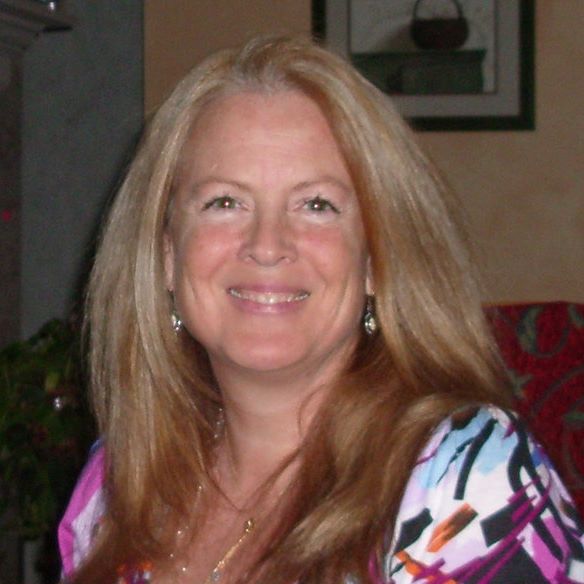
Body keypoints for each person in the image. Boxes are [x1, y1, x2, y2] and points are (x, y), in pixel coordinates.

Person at [58, 36, 584, 583]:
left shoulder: (463, 479)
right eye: (225, 202)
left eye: (316, 205)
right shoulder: (117, 484)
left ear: (377, 258)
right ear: (166, 255)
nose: (267, 245)